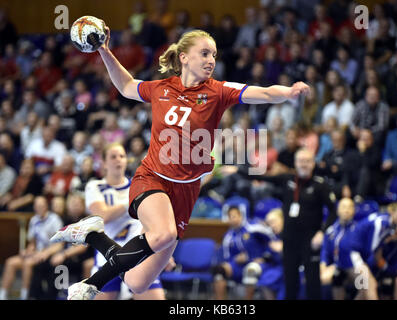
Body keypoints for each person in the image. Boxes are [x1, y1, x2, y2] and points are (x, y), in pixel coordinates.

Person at [50, 26, 309, 300]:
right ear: (184, 57)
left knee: (138, 283)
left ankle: (93, 236)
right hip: (152, 178)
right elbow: (126, 86)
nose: (211, 60)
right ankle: (89, 285)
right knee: (163, 235)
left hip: (187, 191)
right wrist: (104, 50)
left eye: (214, 55)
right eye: (205, 53)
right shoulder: (162, 88)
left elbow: (265, 93)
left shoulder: (218, 91)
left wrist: (288, 92)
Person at [242, 148, 337, 299]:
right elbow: (263, 176)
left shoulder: (320, 185)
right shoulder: (287, 179)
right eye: (301, 161)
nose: (304, 164)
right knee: (290, 279)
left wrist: (322, 232)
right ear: (295, 163)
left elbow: (334, 211)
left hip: (311, 239)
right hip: (290, 239)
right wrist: (237, 169)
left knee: (312, 280)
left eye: (307, 161)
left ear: (313, 163)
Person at [83, 142, 167, 300]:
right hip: (107, 258)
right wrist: (135, 199)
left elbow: (151, 223)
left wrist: (163, 252)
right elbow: (103, 216)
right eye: (113, 157)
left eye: (122, 156)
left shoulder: (137, 185)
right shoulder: (94, 186)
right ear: (104, 162)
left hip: (138, 256)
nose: (118, 160)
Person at [0, 196, 63, 300]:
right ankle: (3, 295)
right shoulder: (34, 220)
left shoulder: (54, 219)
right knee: (10, 262)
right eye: (37, 206)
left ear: (46, 206)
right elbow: (33, 242)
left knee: (27, 263)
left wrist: (45, 253)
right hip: (36, 254)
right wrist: (28, 251)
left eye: (41, 205)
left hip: (49, 254)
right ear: (34, 207)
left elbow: (60, 243)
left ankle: (25, 295)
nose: (39, 208)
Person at [212, 206, 275, 300]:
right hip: (237, 265)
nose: (233, 219)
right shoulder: (228, 236)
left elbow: (272, 239)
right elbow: (225, 256)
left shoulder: (253, 227)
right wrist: (234, 260)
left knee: (250, 270)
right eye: (231, 217)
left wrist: (265, 257)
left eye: (235, 216)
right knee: (219, 272)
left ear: (241, 216)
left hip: (256, 262)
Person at [320, 197, 357, 300]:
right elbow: (325, 251)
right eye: (344, 207)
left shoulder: (358, 230)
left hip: (355, 267)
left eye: (350, 207)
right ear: (338, 210)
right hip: (337, 267)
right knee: (328, 277)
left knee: (363, 282)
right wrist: (323, 264)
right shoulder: (331, 231)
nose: (347, 210)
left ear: (354, 211)